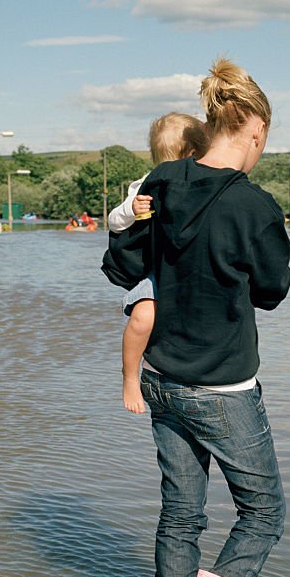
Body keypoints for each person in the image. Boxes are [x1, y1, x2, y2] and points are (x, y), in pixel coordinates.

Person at [103, 57, 290, 577]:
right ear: (255, 131)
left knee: (181, 514)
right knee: (263, 514)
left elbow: (120, 261)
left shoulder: (161, 180)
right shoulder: (255, 207)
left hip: (159, 380)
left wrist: (131, 222)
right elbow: (271, 291)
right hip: (221, 391)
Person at [108, 113, 209, 414]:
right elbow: (114, 222)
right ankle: (129, 376)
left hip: (187, 267)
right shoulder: (144, 185)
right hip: (155, 268)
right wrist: (131, 207)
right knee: (142, 316)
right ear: (192, 155)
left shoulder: (204, 183)